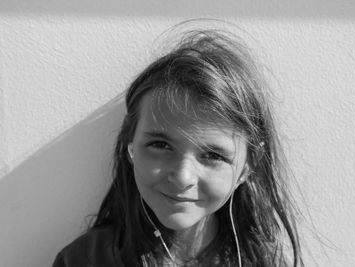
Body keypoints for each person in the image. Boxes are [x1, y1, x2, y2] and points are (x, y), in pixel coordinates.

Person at [52, 27, 303, 267]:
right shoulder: (85, 260)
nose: (183, 177)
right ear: (131, 146)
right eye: (160, 145)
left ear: (248, 166)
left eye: (213, 155)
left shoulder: (264, 262)